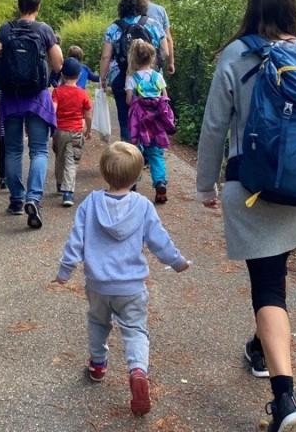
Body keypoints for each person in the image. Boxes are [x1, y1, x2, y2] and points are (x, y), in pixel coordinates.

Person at [194, 0, 296, 432]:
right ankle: (260, 347)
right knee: (276, 271)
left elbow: (215, 127)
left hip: (254, 189)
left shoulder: (237, 56)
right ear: (292, 10)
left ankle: (284, 398)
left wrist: (205, 185)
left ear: (252, 8)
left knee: (269, 286)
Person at [54, 142, 189, 417]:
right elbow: (159, 241)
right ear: (139, 175)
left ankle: (98, 365)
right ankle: (138, 370)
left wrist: (65, 270)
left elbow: (75, 241)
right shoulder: (142, 206)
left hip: (98, 284)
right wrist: (177, 262)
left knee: (97, 322)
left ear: (104, 172)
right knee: (135, 329)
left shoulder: (90, 204)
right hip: (131, 286)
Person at [0, 0, 63, 229]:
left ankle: (15, 199)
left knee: (12, 150)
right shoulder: (44, 30)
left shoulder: (5, 29)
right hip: (37, 97)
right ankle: (33, 198)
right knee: (39, 150)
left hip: (11, 98)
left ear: (18, 3)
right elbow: (58, 63)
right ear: (38, 5)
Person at [98, 0, 168, 142]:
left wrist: (103, 78)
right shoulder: (153, 24)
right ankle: (147, 153)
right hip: (150, 78)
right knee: (150, 117)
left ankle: (129, 156)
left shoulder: (114, 28)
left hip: (122, 77)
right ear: (143, 7)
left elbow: (106, 56)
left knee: (125, 119)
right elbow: (165, 52)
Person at [125, 40, 175, 205]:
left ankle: (132, 182)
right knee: (156, 153)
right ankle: (160, 183)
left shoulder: (132, 77)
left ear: (134, 59)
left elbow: (129, 100)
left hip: (140, 122)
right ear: (152, 58)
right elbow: (164, 97)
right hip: (157, 123)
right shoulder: (158, 76)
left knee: (136, 152)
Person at [52, 58, 93, 207]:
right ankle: (68, 192)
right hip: (76, 131)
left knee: (59, 157)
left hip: (59, 131)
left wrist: (51, 126)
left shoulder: (57, 92)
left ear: (62, 74)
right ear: (79, 75)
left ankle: (59, 183)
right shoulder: (82, 93)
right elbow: (88, 114)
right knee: (71, 161)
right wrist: (88, 130)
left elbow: (53, 109)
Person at [138, 0, 175, 75]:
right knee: (155, 86)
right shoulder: (160, 11)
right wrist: (171, 62)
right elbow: (168, 39)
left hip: (135, 59)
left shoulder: (132, 8)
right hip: (154, 60)